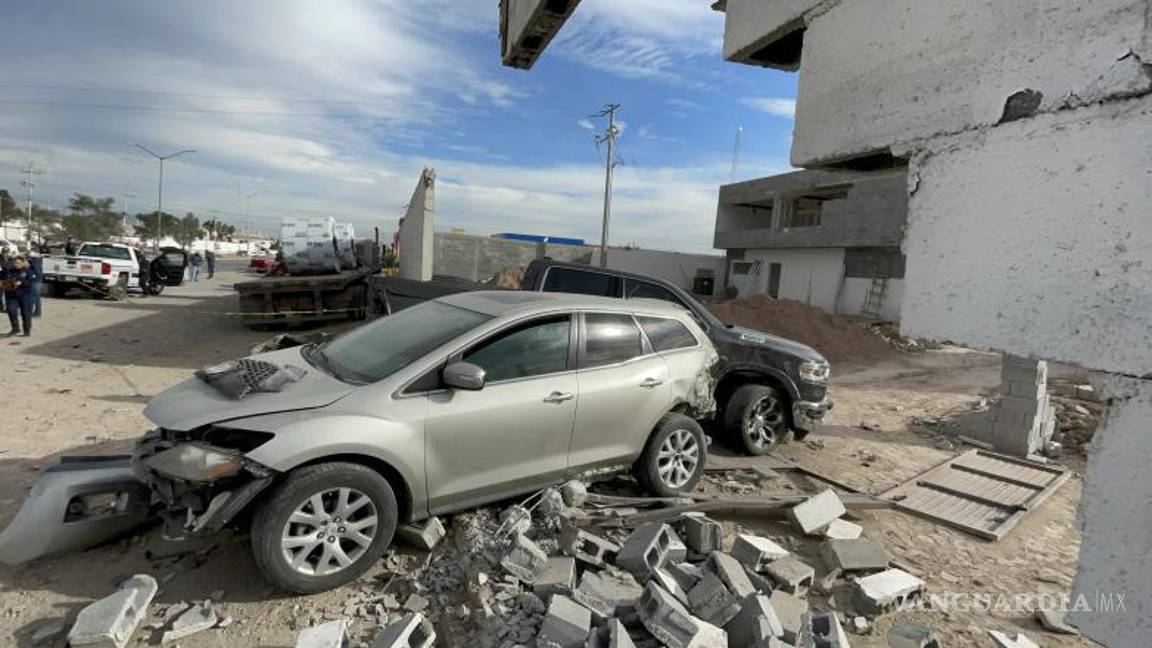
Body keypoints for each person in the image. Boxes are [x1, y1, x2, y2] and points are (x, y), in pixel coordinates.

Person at [2, 255, 40, 337]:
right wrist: (5, 283)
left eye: (18, 263)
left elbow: (31, 283)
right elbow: (2, 278)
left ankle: (26, 331)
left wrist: (22, 282)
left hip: (25, 295)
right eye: (15, 263)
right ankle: (15, 328)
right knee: (11, 310)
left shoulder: (29, 271)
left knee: (26, 314)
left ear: (23, 263)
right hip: (12, 295)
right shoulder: (9, 271)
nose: (16, 265)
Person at [27, 250, 43, 317]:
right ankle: (37, 312)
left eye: (29, 257)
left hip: (36, 282)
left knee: (34, 298)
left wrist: (33, 278)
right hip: (38, 282)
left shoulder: (35, 263)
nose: (28, 258)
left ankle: (36, 313)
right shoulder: (36, 262)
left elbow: (38, 274)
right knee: (37, 298)